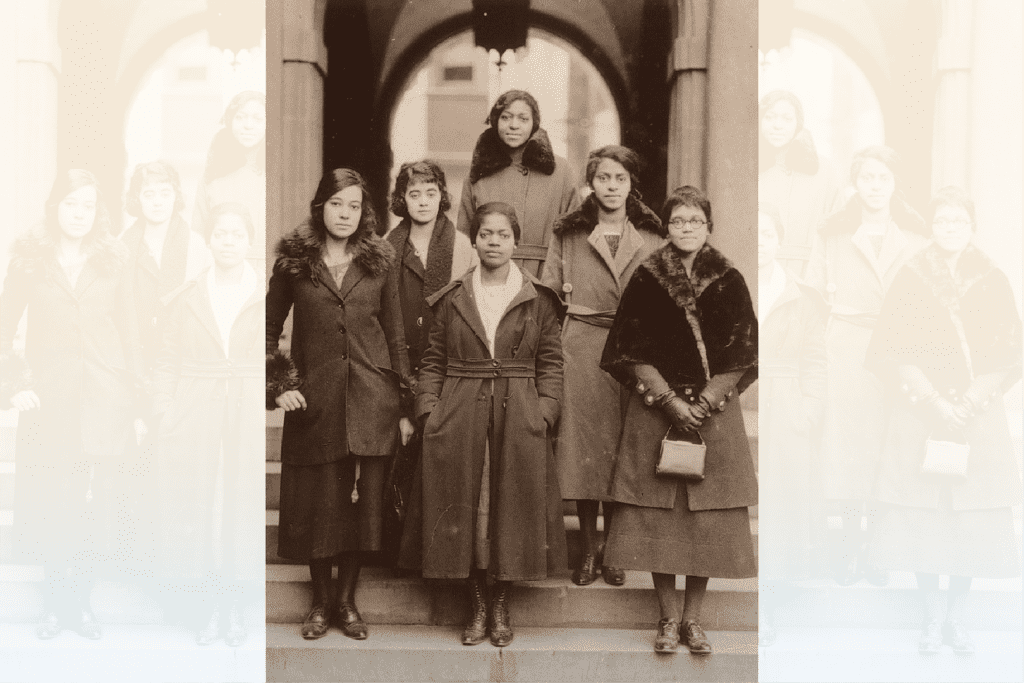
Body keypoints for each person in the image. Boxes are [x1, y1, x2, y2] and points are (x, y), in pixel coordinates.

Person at [399, 202, 567, 648]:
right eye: (485, 234)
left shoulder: (539, 297)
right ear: (473, 240)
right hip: (459, 410)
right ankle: (475, 603)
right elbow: (433, 360)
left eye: (502, 234)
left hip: (519, 413)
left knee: (510, 507)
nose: (493, 241)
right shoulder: (453, 296)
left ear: (515, 241)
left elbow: (550, 362)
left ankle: (501, 605)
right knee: (469, 509)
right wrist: (429, 410)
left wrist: (545, 411)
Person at [600, 186, 758, 655]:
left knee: (706, 523)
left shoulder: (728, 277)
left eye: (695, 221)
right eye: (678, 221)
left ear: (708, 226)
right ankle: (667, 618)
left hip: (714, 414)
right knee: (658, 521)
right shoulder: (648, 276)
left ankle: (694, 620)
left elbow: (744, 350)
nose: (686, 228)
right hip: (657, 413)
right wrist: (669, 401)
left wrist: (707, 401)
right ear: (665, 227)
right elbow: (626, 349)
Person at [865, 187, 1022, 654]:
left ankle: (955, 618)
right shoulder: (912, 277)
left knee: (972, 524)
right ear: (931, 227)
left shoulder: (992, 278)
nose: (950, 228)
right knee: (924, 523)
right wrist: (934, 402)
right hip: (920, 414)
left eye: (959, 221)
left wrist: (972, 401)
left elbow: (1009, 352)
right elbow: (890, 348)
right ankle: (932, 620)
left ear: (971, 227)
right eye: (942, 221)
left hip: (977, 415)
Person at [266, 168, 413, 641]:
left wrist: (404, 403)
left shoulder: (380, 262)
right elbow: (265, 330)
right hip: (314, 404)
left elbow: (395, 334)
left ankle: (347, 602)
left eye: (353, 205)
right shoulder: (294, 262)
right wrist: (279, 383)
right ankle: (318, 603)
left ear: (364, 212)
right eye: (336, 204)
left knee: (357, 508)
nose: (345, 214)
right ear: (320, 207)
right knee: (318, 504)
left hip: (372, 399)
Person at [0, 169, 136, 640]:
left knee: (91, 509)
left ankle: (84, 605)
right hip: (49, 405)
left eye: (88, 206)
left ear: (98, 213)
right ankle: (55, 606)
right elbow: (2, 329)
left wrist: (134, 404)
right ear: (54, 206)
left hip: (104, 403)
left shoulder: (114, 263)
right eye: (70, 204)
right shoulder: (29, 263)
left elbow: (132, 334)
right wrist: (13, 384)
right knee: (52, 505)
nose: (78, 214)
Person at [540, 145, 665, 587]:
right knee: (584, 452)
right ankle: (589, 550)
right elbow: (550, 294)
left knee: (624, 450)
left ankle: (616, 548)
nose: (611, 187)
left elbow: (665, 300)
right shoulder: (570, 233)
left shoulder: (652, 235)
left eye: (620, 179)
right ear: (590, 183)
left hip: (634, 353)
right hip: (583, 349)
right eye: (603, 178)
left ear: (632, 185)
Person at [804, 146, 928, 586]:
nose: (875, 187)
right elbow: (815, 297)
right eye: (868, 178)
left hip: (898, 353)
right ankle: (850, 544)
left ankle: (877, 549)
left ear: (895, 184)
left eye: (884, 179)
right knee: (848, 451)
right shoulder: (833, 234)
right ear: (855, 184)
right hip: (848, 351)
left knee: (887, 449)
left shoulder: (916, 237)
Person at [153, 203, 264, 646]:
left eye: (237, 233)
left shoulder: (263, 293)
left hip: (245, 402)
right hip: (196, 404)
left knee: (239, 506)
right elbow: (166, 357)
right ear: (209, 240)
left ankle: (235, 605)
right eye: (221, 234)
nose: (229, 241)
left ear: (249, 241)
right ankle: (202, 606)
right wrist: (164, 407)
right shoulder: (189, 294)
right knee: (198, 505)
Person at [120, 160, 211, 572]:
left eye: (164, 193)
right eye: (148, 193)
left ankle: (175, 564)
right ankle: (139, 558)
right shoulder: (123, 246)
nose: (157, 201)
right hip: (134, 363)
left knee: (178, 466)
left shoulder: (195, 245)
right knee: (137, 463)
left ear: (176, 197)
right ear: (136, 199)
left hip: (181, 367)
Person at [755, 203, 828, 647]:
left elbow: (816, 359)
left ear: (780, 241)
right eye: (755, 233)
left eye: (768, 233)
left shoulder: (802, 295)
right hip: (733, 402)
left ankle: (772, 604)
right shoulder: (728, 287)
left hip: (785, 404)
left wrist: (808, 409)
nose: (761, 240)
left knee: (781, 511)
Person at [457, 89, 580, 277]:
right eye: (506, 117)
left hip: (546, 278)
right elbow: (465, 239)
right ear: (495, 121)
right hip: (489, 276)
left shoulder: (561, 171)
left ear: (534, 124)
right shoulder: (478, 175)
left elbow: (575, 237)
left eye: (523, 119)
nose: (514, 125)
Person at [385, 160, 477, 377]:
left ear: (441, 196)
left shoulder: (462, 247)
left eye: (431, 193)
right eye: (414, 195)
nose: (423, 202)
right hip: (398, 358)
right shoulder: (386, 246)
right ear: (403, 199)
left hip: (448, 358)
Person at [758, 90, 844, 276]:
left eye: (787, 119)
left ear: (798, 124)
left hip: (810, 274)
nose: (777, 126)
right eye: (769, 117)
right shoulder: (746, 169)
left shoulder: (825, 171)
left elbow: (838, 232)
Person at [193, 91, 266, 269]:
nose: (248, 125)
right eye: (240, 117)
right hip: (221, 270)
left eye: (258, 119)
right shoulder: (212, 175)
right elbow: (198, 236)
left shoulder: (278, 172)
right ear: (230, 122)